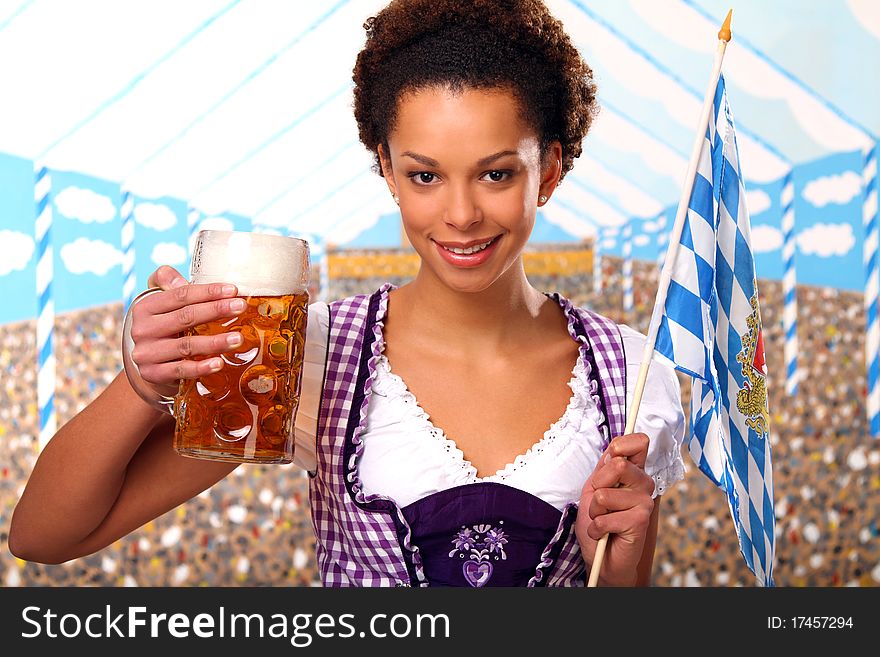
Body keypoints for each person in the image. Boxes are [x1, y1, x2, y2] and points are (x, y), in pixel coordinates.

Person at [9, 0, 685, 587]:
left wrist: (617, 577)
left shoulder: (631, 373)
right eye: (425, 176)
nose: (460, 214)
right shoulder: (312, 355)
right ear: (387, 169)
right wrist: (139, 383)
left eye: (496, 174)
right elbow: (45, 536)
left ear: (551, 171)